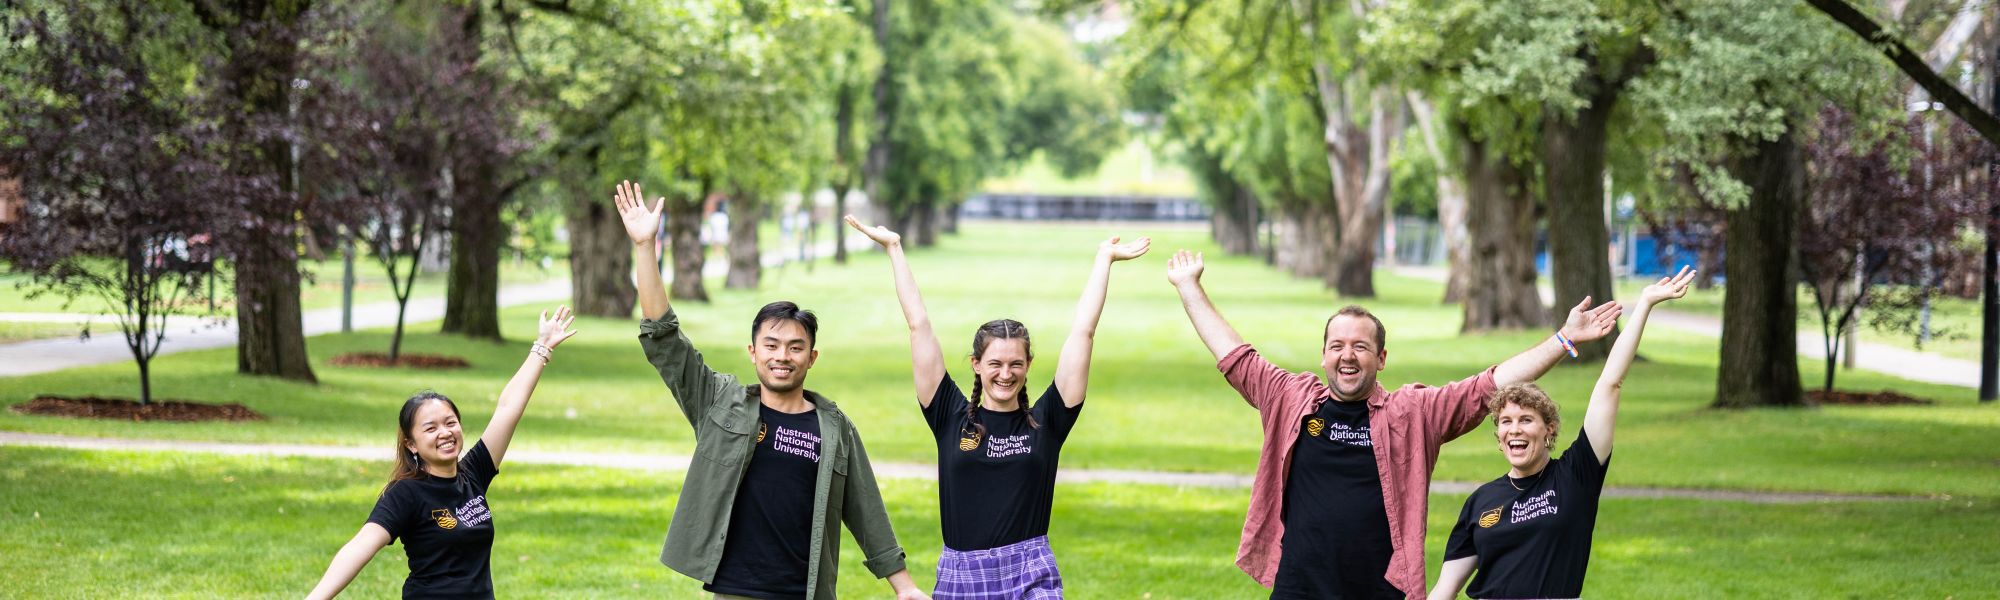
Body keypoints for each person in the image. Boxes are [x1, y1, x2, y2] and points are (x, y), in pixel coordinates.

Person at [1163, 249, 1623, 600]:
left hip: (1382, 588)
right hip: (1300, 585)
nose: (1347, 355)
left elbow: (1489, 385)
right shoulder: (1290, 398)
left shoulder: (1413, 413)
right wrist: (1188, 287)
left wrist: (1563, 340)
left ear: (1381, 359)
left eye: (1361, 347)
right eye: (1337, 345)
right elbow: (1235, 356)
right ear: (1323, 355)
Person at [616, 182, 929, 600]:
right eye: (772, 345)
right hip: (734, 589)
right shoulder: (718, 402)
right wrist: (644, 246)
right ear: (753, 352)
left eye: (796, 347)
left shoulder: (834, 428)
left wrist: (904, 586)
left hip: (805, 591)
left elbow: (865, 507)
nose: (783, 356)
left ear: (812, 358)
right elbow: (664, 340)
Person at [845, 215, 1149, 599]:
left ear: (1028, 366)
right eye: (995, 364)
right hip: (962, 574)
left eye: (1016, 364)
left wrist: (1103, 260)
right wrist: (894, 249)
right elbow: (919, 325)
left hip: (1030, 573)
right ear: (976, 364)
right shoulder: (949, 416)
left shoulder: (1047, 421)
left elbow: (1082, 332)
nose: (1006, 374)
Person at [1429, 267, 1695, 600]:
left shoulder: (1576, 475)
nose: (1514, 429)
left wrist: (1644, 304)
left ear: (1548, 429)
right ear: (1498, 434)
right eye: (1505, 422)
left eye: (1526, 420)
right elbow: (1445, 589)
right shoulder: (1480, 501)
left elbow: (1610, 383)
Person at [307, 306, 580, 599]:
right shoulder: (406, 493)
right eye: (431, 428)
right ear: (411, 443)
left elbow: (508, 409)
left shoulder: (473, 473)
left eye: (450, 423)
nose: (445, 433)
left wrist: (541, 348)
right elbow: (361, 545)